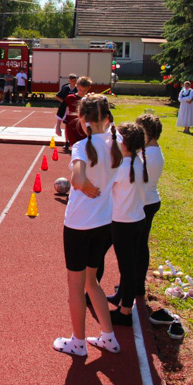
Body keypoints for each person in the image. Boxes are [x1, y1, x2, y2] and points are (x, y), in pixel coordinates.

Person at [53, 94, 122, 357]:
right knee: (92, 282)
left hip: (79, 224)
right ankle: (108, 337)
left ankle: (78, 342)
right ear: (107, 118)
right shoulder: (118, 141)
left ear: (82, 119)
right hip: (103, 223)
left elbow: (77, 177)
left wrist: (83, 185)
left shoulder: (83, 146)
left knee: (75, 286)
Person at [104, 122, 148, 327]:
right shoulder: (138, 162)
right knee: (128, 266)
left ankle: (125, 312)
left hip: (123, 223)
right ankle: (123, 301)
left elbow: (103, 188)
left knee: (127, 269)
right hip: (137, 219)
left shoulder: (122, 168)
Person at [135, 114, 164, 296]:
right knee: (139, 245)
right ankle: (134, 283)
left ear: (147, 132)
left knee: (138, 246)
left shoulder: (150, 154)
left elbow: (138, 178)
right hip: (147, 201)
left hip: (145, 203)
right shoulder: (148, 150)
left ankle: (135, 285)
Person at [62, 76, 93, 151]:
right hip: (72, 125)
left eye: (84, 90)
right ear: (77, 86)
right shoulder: (70, 98)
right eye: (80, 89)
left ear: (88, 88)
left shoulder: (90, 99)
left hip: (85, 126)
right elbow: (61, 111)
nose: (82, 92)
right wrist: (58, 126)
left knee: (85, 148)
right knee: (75, 148)